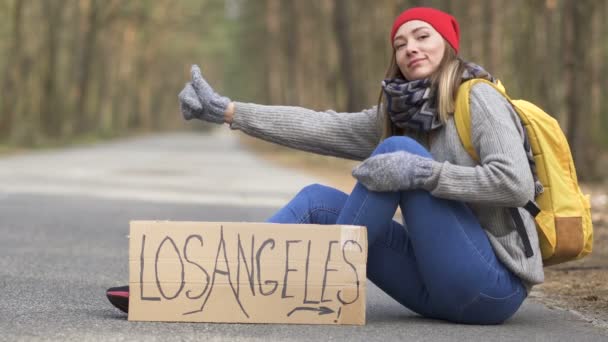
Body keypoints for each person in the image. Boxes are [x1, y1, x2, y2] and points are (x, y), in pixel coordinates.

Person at [107, 7, 544, 325]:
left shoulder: (480, 99)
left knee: (401, 153)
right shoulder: (400, 114)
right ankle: (196, 285)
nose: (410, 47)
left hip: (490, 287)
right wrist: (228, 112)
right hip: (432, 288)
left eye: (422, 36)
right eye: (400, 43)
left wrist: (425, 174)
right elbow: (318, 127)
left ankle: (276, 284)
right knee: (317, 201)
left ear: (448, 45)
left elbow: (515, 184)